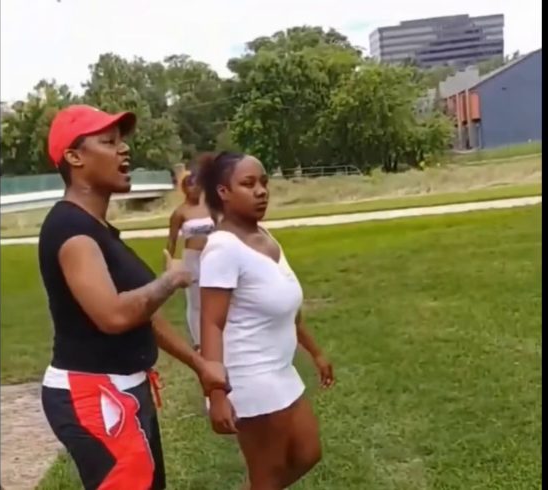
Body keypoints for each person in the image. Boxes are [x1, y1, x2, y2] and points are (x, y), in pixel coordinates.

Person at [37, 105, 229, 490]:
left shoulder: (97, 228)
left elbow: (143, 316)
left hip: (123, 387)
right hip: (93, 393)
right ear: (74, 157)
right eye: (108, 142)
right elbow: (114, 316)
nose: (124, 149)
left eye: (122, 141)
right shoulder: (72, 230)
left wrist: (199, 363)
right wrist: (169, 281)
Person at [197, 151, 335, 490]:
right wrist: (216, 392)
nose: (261, 191)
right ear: (223, 192)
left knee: (307, 453)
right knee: (268, 474)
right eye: (248, 184)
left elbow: (287, 307)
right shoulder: (223, 249)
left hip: (280, 370)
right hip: (250, 378)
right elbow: (211, 323)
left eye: (263, 182)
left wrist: (315, 352)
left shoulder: (264, 236)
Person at [167, 169, 216, 350]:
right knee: (196, 300)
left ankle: (218, 333)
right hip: (192, 257)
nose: (195, 189)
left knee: (215, 294)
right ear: (184, 188)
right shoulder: (180, 212)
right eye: (190, 185)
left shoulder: (209, 208)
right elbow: (172, 240)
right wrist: (170, 262)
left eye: (198, 185)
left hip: (212, 256)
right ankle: (198, 341)